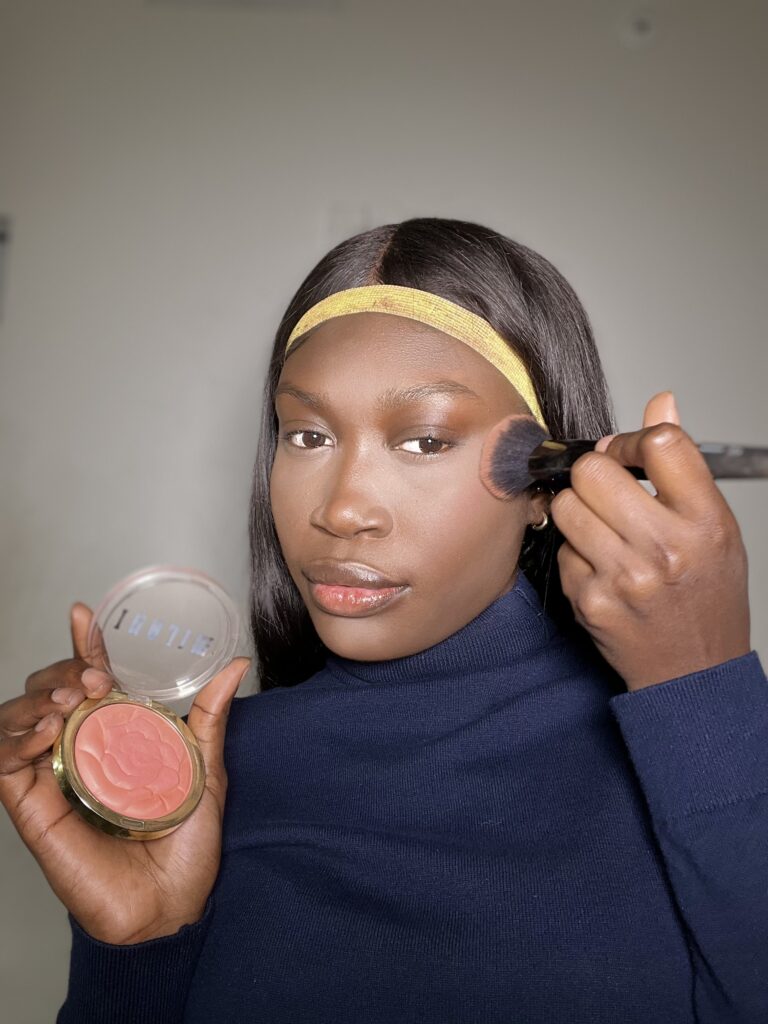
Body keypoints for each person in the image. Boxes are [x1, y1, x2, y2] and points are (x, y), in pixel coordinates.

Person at [0, 218, 765, 1023]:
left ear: (547, 483)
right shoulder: (212, 781)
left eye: (425, 441)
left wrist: (701, 689)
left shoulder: (693, 752)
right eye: (308, 434)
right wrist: (140, 948)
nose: (341, 509)